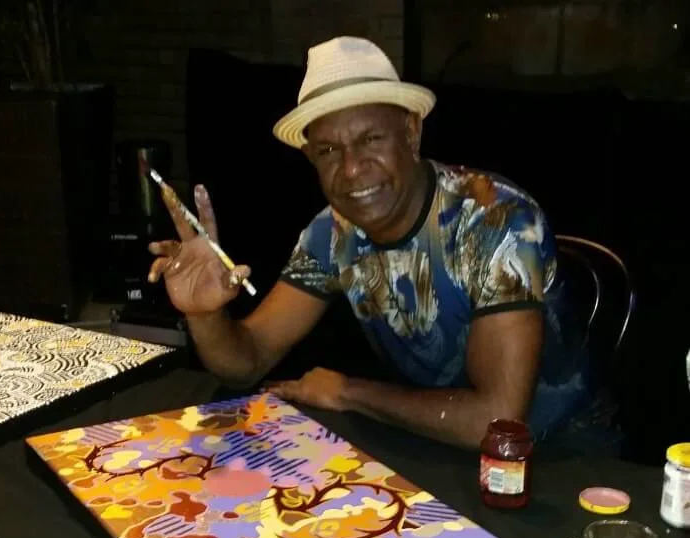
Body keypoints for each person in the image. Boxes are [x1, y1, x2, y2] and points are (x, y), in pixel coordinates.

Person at [148, 36, 588, 449]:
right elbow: (248, 361)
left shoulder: (495, 222)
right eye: (328, 151)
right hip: (434, 445)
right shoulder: (332, 233)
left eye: (371, 139)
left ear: (411, 134)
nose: (352, 168)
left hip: (561, 456)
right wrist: (205, 314)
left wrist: (349, 392)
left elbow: (496, 422)